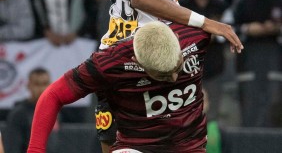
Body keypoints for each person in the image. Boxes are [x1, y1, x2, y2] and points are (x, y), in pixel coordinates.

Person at [27, 20, 243, 153]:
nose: (173, 76)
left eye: (176, 67)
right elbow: (53, 95)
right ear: (137, 61)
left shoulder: (197, 35)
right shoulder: (109, 63)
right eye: (163, 74)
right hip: (135, 146)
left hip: (187, 146)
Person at [233, 0, 282, 127]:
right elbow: (230, 26)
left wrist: (276, 28)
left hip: (275, 58)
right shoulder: (244, 1)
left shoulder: (279, 0)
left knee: (274, 102)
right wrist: (248, 29)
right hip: (249, 59)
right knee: (250, 102)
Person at [3, 68, 55, 153]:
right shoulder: (19, 114)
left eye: (45, 84)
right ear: (28, 86)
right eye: (37, 84)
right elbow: (12, 147)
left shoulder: (55, 111)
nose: (41, 89)